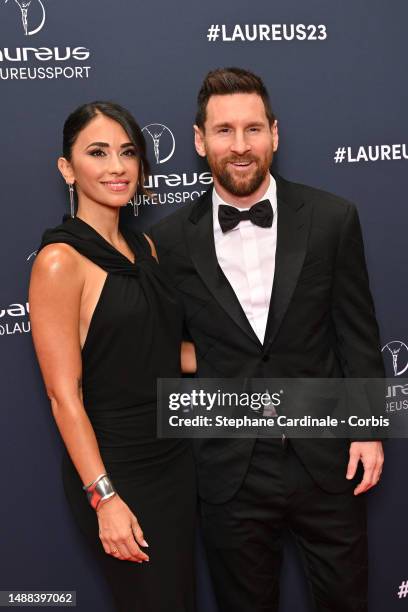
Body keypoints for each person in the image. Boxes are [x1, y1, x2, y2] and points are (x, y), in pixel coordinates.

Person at [149, 68, 385, 612]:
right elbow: (164, 351)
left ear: (274, 134)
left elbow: (358, 331)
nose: (239, 146)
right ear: (198, 139)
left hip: (328, 462)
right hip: (230, 470)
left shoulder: (331, 218)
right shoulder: (167, 242)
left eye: (252, 129)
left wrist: (370, 430)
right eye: (224, 130)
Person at [29, 101, 197, 612]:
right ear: (67, 168)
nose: (117, 167)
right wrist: (105, 498)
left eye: (127, 152)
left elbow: (165, 356)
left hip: (175, 460)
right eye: (97, 153)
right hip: (118, 472)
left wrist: (261, 360)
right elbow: (63, 396)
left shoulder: (144, 248)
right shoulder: (60, 261)